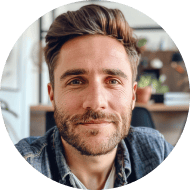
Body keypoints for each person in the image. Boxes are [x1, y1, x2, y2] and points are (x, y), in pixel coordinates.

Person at [15, 4, 173, 190]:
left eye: (113, 81)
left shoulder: (158, 154)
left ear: (132, 95)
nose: (96, 103)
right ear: (52, 94)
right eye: (75, 81)